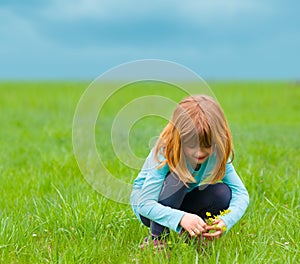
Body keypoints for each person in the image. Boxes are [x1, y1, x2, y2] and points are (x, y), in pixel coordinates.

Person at [130, 94, 249, 247]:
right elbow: (145, 204)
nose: (199, 153)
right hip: (149, 209)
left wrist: (226, 221)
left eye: (206, 146)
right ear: (179, 138)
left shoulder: (217, 152)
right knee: (179, 178)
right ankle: (157, 240)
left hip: (179, 202)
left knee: (222, 193)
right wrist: (181, 218)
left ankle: (194, 233)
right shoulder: (165, 152)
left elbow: (241, 193)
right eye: (191, 145)